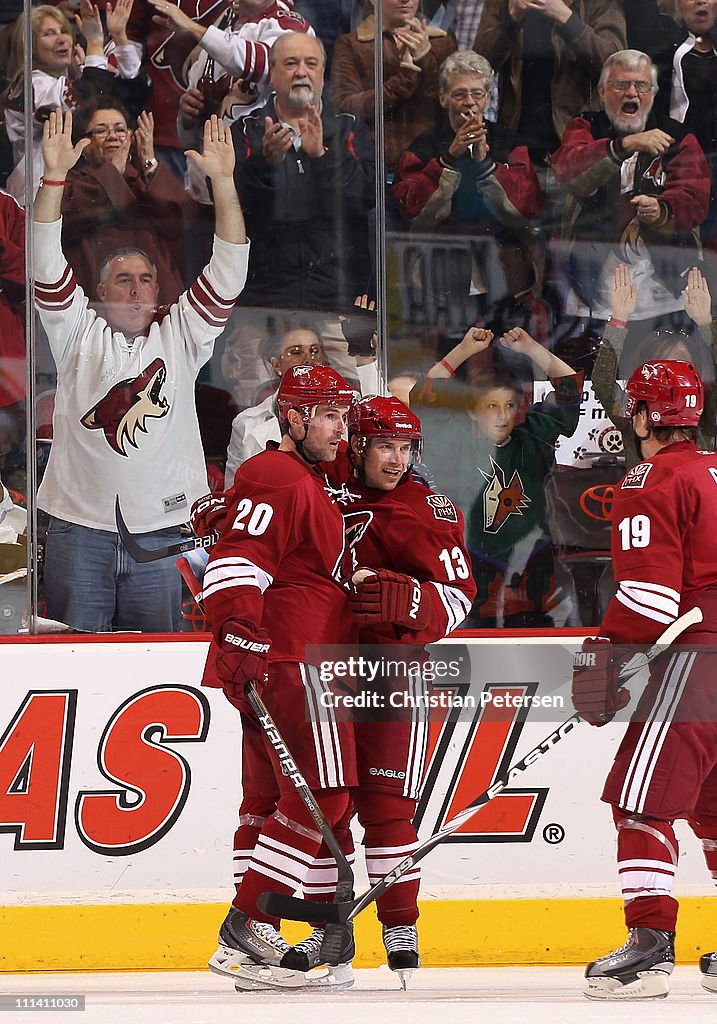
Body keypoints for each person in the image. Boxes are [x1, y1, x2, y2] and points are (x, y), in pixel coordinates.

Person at [32, 109, 248, 633]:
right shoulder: (76, 331)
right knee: (72, 665)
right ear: (99, 295)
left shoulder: (181, 336)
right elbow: (42, 261)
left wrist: (223, 182)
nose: (135, 289)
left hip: (165, 531)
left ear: (159, 292)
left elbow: (229, 268)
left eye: (146, 279)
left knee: (157, 664)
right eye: (122, 280)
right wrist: (54, 177)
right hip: (78, 530)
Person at [287, 395, 476, 986]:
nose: (397, 460)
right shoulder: (320, 481)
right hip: (326, 664)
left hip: (392, 670)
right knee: (327, 804)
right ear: (359, 446)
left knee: (387, 808)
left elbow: (460, 595)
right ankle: (330, 934)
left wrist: (413, 600)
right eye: (385, 447)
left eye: (406, 448)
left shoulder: (427, 508)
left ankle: (401, 931)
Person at [199, 363, 358, 991]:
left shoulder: (301, 478)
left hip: (283, 657)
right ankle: (249, 920)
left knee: (269, 801)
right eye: (326, 414)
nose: (338, 428)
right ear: (290, 417)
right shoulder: (277, 474)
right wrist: (239, 634)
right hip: (292, 658)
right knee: (326, 794)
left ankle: (255, 940)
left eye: (343, 415)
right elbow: (241, 561)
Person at [571, 358, 717, 1000]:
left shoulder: (648, 478)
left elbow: (651, 596)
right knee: (713, 813)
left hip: (699, 664)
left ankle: (651, 945)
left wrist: (604, 649)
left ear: (640, 415)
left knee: (640, 803)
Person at [411, 325, 582, 627]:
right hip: (472, 567)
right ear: (473, 411)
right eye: (491, 406)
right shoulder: (456, 442)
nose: (502, 415)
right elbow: (422, 399)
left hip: (530, 568)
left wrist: (532, 348)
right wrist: (463, 351)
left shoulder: (533, 439)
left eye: (509, 406)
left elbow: (569, 387)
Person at [551, 49, 710, 326]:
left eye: (641, 85)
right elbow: (570, 173)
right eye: (621, 85)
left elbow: (695, 198)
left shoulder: (678, 137)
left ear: (653, 92)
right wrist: (624, 145)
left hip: (665, 288)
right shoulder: (584, 126)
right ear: (602, 92)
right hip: (592, 286)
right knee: (601, 367)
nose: (632, 93)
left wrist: (661, 210)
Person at [393, 50, 542, 324]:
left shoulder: (511, 144)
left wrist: (485, 164)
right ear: (443, 98)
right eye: (460, 94)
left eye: (477, 93)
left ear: (487, 97)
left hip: (505, 273)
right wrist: (448, 160)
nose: (469, 103)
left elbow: (525, 210)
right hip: (439, 272)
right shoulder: (422, 148)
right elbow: (414, 214)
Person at [231, 31, 376, 311]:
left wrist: (322, 157)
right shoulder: (246, 131)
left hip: (338, 302)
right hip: (262, 304)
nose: (301, 72)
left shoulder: (350, 128)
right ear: (272, 73)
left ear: (323, 73)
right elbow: (231, 205)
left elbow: (366, 197)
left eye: (311, 63)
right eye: (290, 63)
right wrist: (265, 163)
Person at [151, 0, 314, 204]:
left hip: (262, 192)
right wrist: (187, 117)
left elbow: (270, 63)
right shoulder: (211, 44)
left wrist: (192, 27)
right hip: (202, 195)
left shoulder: (291, 25)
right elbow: (189, 141)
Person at [60, 97, 197, 305]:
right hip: (97, 301)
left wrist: (149, 161)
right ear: (83, 143)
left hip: (156, 299)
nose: (113, 136)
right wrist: (112, 173)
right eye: (101, 130)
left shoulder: (142, 178)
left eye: (120, 129)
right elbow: (65, 219)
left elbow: (180, 220)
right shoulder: (72, 181)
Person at [4, 0, 144, 202]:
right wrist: (95, 44)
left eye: (64, 30)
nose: (61, 39)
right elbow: (88, 98)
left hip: (83, 190)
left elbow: (135, 96)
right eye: (48, 33)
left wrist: (121, 39)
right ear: (31, 47)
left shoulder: (73, 78)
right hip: (37, 197)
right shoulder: (29, 85)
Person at [592, 263, 717, 466]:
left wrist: (705, 322)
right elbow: (602, 383)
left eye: (683, 366)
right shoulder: (633, 414)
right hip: (648, 497)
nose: (674, 378)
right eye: (666, 368)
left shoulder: (707, 417)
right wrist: (619, 320)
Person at [330, 0, 456, 175]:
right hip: (375, 164)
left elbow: (450, 105)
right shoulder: (351, 44)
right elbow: (345, 106)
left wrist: (425, 59)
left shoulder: (442, 41)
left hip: (431, 163)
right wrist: (405, 79)